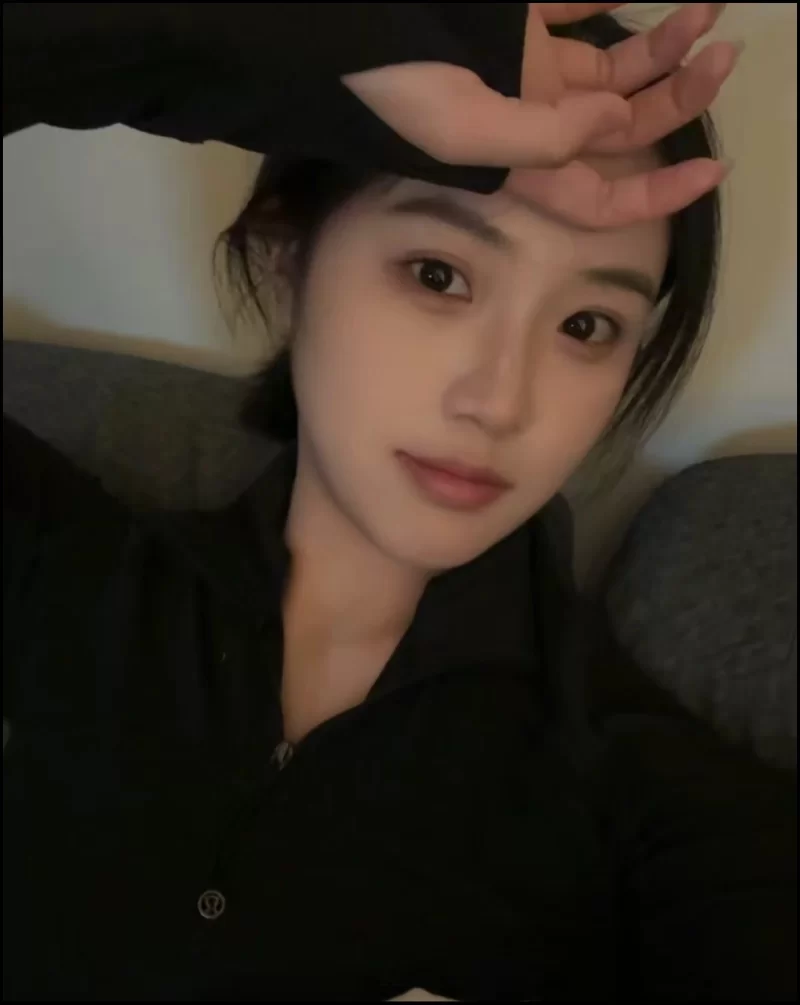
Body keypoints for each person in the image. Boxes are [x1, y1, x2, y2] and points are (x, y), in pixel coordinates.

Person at [2, 3, 795, 1002]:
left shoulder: (647, 802)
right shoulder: (72, 573)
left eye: (587, 325)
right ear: (288, 255)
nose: (500, 401)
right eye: (438, 273)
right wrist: (277, 37)